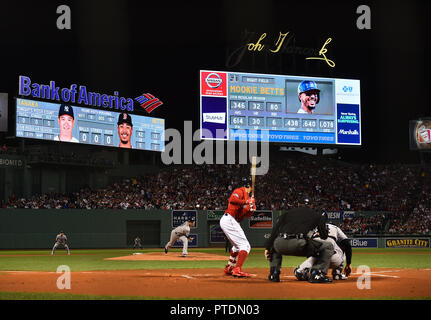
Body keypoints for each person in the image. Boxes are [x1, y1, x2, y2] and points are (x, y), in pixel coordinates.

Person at [264, 197, 334, 283]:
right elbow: (324, 236)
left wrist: (267, 248)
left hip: (280, 244)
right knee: (328, 246)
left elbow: (274, 232)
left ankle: (274, 273)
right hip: (299, 244)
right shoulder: (317, 215)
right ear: (311, 205)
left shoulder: (287, 213)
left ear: (298, 205)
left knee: (274, 245)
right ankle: (317, 274)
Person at [220, 177, 256, 278]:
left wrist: (251, 209)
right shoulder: (239, 191)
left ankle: (230, 267)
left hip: (232, 220)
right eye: (251, 187)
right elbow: (232, 199)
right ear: (248, 186)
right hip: (229, 219)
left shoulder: (248, 198)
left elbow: (244, 215)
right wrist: (246, 202)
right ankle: (237, 269)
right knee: (246, 246)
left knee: (237, 246)